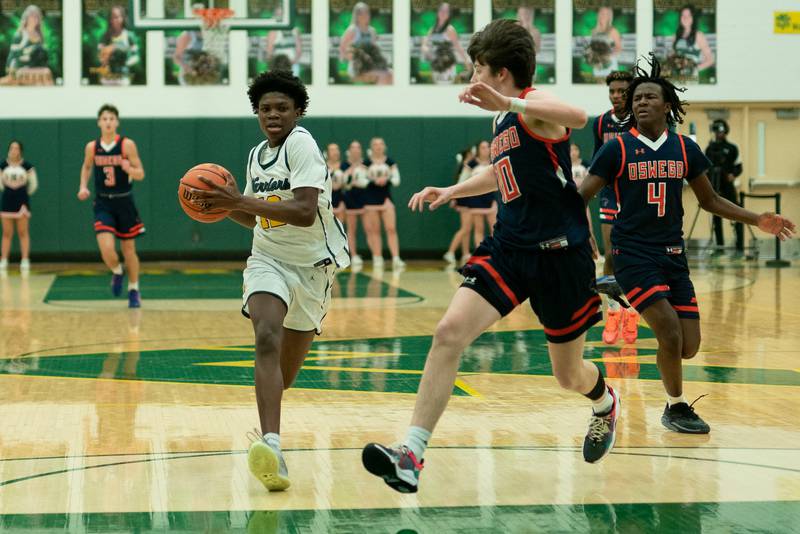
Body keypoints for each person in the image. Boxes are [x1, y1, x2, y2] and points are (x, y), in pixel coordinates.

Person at [361, 19, 621, 494]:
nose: (471, 76)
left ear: (501, 73)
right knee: (447, 333)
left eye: (477, 67)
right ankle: (411, 454)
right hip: (509, 247)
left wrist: (511, 102)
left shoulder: (534, 108)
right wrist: (452, 189)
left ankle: (604, 402)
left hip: (562, 256)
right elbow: (501, 171)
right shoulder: (501, 118)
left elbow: (580, 116)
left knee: (568, 376)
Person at [579, 54, 794, 434]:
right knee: (669, 332)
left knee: (688, 346)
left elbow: (710, 201)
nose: (640, 102)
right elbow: (582, 195)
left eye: (649, 97)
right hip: (632, 252)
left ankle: (620, 290)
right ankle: (675, 407)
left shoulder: (684, 148)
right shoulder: (616, 148)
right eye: (636, 98)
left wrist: (757, 219)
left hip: (673, 256)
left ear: (667, 105)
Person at [186, 70, 350, 491]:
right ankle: (272, 445)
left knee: (284, 373)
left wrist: (238, 199)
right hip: (268, 258)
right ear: (256, 114)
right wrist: (217, 206)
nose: (273, 114)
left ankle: (270, 427)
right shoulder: (258, 153)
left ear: (298, 111)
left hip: (314, 267)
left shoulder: (302, 144)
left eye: (281, 108)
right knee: (265, 336)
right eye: (265, 109)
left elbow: (303, 211)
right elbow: (256, 215)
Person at [78, 104, 146, 308]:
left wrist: (129, 168)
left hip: (124, 201)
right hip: (103, 202)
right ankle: (117, 271)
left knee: (128, 249)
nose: (108, 122)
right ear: (99, 122)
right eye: (104, 118)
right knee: (106, 249)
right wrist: (83, 186)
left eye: (111, 118)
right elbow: (87, 166)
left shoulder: (127, 145)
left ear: (117, 122)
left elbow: (140, 174)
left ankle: (134, 288)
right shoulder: (92, 147)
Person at [592, 70, 639, 345]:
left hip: (634, 192)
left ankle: (631, 310)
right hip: (610, 192)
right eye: (613, 91)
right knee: (610, 252)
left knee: (632, 254)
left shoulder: (640, 120)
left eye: (622, 91)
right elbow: (598, 161)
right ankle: (612, 310)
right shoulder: (600, 123)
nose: (617, 96)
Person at [445, 140, 496, 265]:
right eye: (483, 147)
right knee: (478, 229)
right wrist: (453, 196)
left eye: (488, 147)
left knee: (495, 228)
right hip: (476, 199)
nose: (486, 149)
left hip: (491, 199)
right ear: (478, 150)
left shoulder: (494, 162)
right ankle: (481, 255)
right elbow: (462, 181)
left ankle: (496, 255)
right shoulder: (471, 164)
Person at [362, 137, 404, 270]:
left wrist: (387, 179)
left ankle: (396, 258)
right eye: (375, 144)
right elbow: (361, 180)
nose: (378, 146)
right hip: (371, 199)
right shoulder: (366, 162)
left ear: (384, 146)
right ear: (371, 147)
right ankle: (377, 257)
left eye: (381, 144)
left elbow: (397, 180)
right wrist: (373, 181)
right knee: (375, 230)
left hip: (386, 198)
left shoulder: (390, 162)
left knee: (391, 228)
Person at [705, 119, 743, 255]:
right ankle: (719, 246)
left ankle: (740, 246)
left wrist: (733, 174)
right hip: (714, 186)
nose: (718, 134)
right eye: (716, 131)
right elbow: (705, 168)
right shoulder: (710, 149)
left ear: (725, 131)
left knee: (737, 213)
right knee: (716, 216)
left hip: (728, 186)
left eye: (720, 131)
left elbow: (739, 166)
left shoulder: (732, 148)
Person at [0, 141, 37, 273]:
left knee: (23, 232)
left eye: (16, 148)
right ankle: (3, 259)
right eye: (12, 148)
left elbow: (33, 184)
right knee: (6, 233)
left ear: (20, 151)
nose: (14, 150)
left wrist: (23, 194)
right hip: (7, 202)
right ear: (9, 150)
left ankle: (25, 259)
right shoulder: (3, 165)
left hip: (22, 202)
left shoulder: (27, 166)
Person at [338, 2, 392, 85]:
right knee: (383, 75)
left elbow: (375, 52)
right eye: (362, 13)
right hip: (357, 67)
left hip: (371, 65)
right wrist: (349, 57)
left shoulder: (372, 31)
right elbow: (342, 48)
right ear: (357, 16)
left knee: (392, 74)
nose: (365, 15)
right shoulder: (352, 30)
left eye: (367, 12)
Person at [1, 4, 53, 86]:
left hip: (35, 67)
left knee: (46, 74)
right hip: (19, 68)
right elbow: (13, 55)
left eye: (36, 17)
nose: (34, 19)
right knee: (45, 73)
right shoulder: (20, 35)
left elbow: (42, 57)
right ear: (26, 18)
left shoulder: (40, 36)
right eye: (32, 16)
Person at [420, 3, 470, 84]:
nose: (443, 13)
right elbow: (424, 44)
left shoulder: (450, 29)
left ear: (449, 14)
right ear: (438, 12)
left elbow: (457, 47)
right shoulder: (432, 29)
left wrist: (466, 62)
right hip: (436, 65)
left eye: (446, 11)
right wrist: (425, 49)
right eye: (441, 10)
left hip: (448, 66)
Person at [97, 5, 141, 86]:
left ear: (123, 18)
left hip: (123, 76)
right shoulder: (105, 36)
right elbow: (99, 56)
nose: (115, 20)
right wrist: (105, 57)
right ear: (110, 20)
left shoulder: (129, 36)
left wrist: (126, 62)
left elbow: (136, 56)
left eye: (118, 17)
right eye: (113, 17)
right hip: (107, 77)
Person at [342, 140, 368, 268]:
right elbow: (344, 183)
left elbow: (369, 180)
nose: (356, 150)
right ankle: (354, 255)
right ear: (349, 151)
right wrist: (352, 170)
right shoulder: (345, 166)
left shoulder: (366, 164)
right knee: (351, 229)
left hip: (365, 199)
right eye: (353, 147)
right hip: (350, 199)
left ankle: (376, 256)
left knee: (370, 228)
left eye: (358, 147)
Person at [670, 4, 714, 79]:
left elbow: (710, 60)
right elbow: (673, 56)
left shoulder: (699, 35)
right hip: (676, 77)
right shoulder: (675, 35)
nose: (685, 18)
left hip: (691, 78)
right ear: (680, 18)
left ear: (693, 18)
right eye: (683, 15)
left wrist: (694, 69)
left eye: (688, 15)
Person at [265, 3, 302, 77]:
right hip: (278, 64)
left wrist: (292, 62)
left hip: (290, 64)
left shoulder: (295, 30)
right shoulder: (273, 31)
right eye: (278, 14)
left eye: (281, 14)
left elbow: (299, 50)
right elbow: (269, 50)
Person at [587, 6, 622, 80]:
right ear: (598, 15)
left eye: (606, 14)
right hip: (597, 65)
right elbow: (592, 48)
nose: (603, 15)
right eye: (602, 13)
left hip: (610, 65)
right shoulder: (594, 31)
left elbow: (619, 48)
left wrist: (609, 56)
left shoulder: (613, 31)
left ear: (609, 17)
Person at [325, 143, 347, 224]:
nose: (335, 152)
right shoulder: (323, 167)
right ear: (327, 153)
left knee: (339, 229)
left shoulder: (345, 166)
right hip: (326, 203)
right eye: (332, 150)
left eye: (336, 149)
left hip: (341, 203)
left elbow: (348, 186)